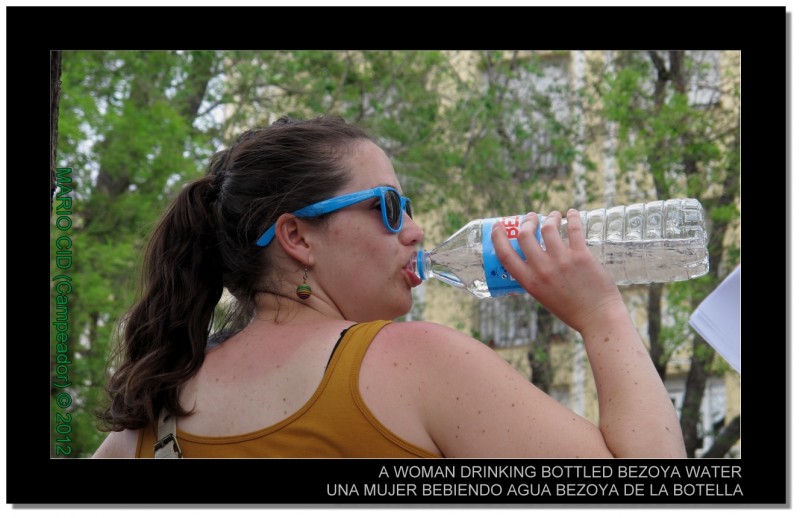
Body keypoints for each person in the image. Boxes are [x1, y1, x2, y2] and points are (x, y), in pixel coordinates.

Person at [93, 115, 686, 458]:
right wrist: (602, 312)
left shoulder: (151, 413)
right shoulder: (415, 361)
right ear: (297, 238)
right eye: (389, 205)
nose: (417, 229)